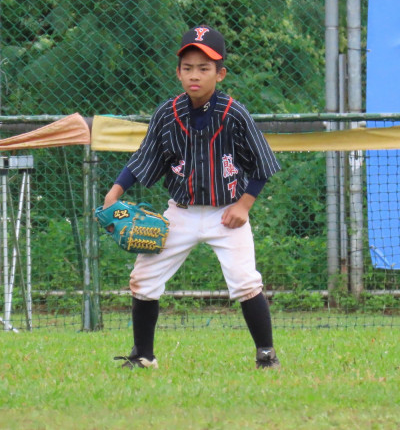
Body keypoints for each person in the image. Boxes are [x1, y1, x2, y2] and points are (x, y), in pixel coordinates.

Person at [102, 25, 281, 370]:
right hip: (180, 212)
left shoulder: (234, 114)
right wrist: (116, 191)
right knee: (144, 278)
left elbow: (263, 164)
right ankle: (143, 355)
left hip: (227, 212)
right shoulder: (167, 114)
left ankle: (266, 355)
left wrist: (244, 205)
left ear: (220, 73)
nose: (194, 75)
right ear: (178, 72)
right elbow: (145, 157)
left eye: (204, 68)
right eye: (188, 68)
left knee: (245, 281)